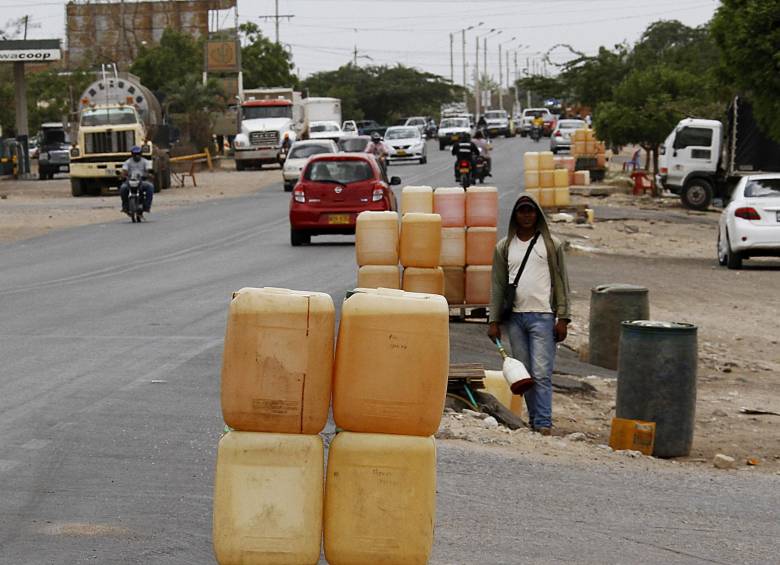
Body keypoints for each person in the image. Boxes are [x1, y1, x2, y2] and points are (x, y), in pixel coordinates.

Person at [488, 195, 571, 435]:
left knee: (542, 373)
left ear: (537, 214)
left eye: (530, 211)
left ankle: (543, 423)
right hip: (515, 319)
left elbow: (562, 282)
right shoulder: (504, 247)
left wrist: (563, 318)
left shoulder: (551, 245)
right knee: (525, 376)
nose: (526, 216)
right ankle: (536, 421)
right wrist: (493, 320)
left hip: (543, 317)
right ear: (515, 215)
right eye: (522, 211)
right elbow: (497, 286)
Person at [119, 146, 154, 214]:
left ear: (141, 154)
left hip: (142, 181)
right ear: (132, 154)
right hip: (129, 181)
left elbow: (148, 171)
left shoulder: (145, 162)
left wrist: (148, 175)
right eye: (135, 154)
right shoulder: (128, 162)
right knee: (123, 188)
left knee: (150, 187)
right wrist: (122, 175)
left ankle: (147, 206)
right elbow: (124, 171)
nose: (137, 156)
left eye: (138, 154)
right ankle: (125, 207)